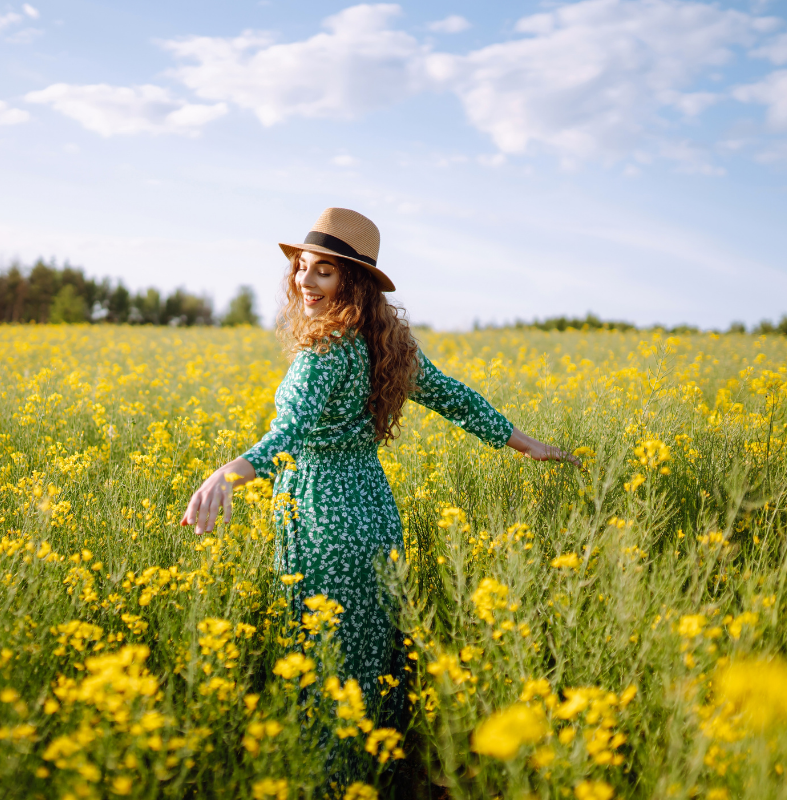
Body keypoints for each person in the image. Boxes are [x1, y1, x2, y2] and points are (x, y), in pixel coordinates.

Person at [181, 207, 579, 720]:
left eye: (323, 269)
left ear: (355, 281)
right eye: (302, 266)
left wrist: (224, 474)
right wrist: (528, 444)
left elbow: (290, 434)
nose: (305, 280)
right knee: (367, 662)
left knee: (322, 672)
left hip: (323, 521)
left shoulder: (323, 352)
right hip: (373, 517)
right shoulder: (388, 343)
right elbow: (455, 398)